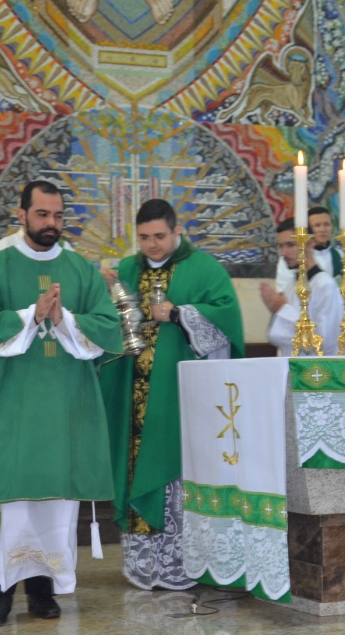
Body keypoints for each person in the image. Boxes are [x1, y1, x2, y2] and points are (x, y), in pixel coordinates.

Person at [0, 180, 123, 628]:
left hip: (66, 407)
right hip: (13, 405)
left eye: (58, 216)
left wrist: (63, 317)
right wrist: (30, 315)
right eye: (43, 215)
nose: (51, 224)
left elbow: (108, 328)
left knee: (55, 505)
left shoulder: (81, 270)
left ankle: (43, 591)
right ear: (22, 214)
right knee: (7, 503)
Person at [99, 199, 244, 590]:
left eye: (159, 236)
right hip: (135, 396)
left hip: (180, 400)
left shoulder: (203, 269)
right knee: (136, 468)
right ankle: (146, 566)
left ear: (176, 231)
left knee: (176, 476)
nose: (151, 245)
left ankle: (183, 564)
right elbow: (106, 321)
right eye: (144, 237)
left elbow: (227, 321)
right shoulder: (127, 270)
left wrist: (179, 314)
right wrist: (106, 293)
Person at [261, 218, 344, 356]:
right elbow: (278, 337)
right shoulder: (291, 284)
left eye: (290, 245)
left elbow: (326, 341)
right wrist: (277, 310)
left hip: (318, 371)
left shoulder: (325, 284)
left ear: (310, 243)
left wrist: (283, 310)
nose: (283, 253)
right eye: (281, 246)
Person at [274, 206, 345, 315]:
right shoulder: (291, 258)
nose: (322, 229)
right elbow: (286, 292)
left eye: (326, 224)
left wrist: (335, 306)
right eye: (317, 225)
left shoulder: (340, 257)